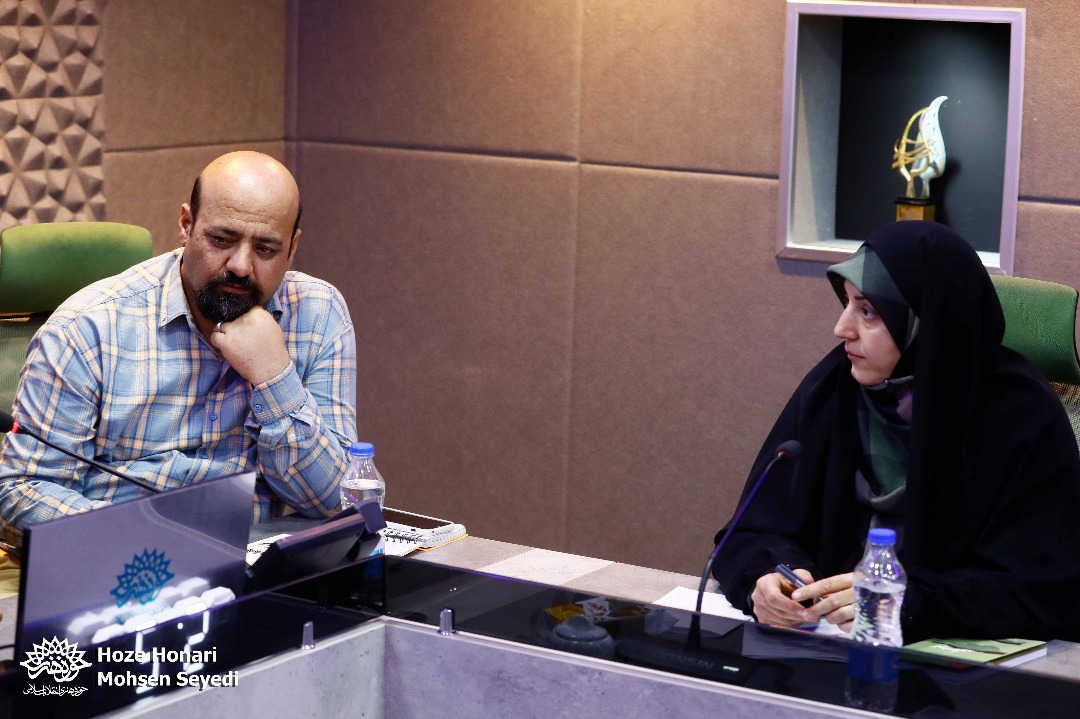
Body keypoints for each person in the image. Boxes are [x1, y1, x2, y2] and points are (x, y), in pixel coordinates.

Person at [713, 221, 1080, 643]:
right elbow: (748, 532)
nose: (842, 328)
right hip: (827, 646)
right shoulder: (833, 389)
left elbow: (1045, 591)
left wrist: (909, 603)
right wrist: (766, 579)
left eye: (868, 311)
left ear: (926, 320)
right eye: (847, 304)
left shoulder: (1019, 414)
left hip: (952, 666)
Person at [0, 151, 356, 546]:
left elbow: (335, 500)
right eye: (222, 240)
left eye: (266, 250)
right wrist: (153, 542)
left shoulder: (317, 313)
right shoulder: (86, 328)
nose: (240, 265)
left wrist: (275, 379)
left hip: (254, 565)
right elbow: (23, 489)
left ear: (292, 247)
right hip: (121, 561)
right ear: (186, 225)